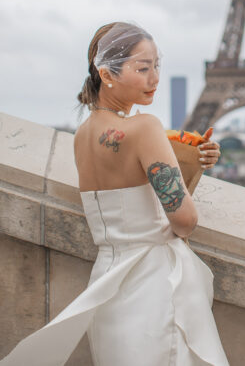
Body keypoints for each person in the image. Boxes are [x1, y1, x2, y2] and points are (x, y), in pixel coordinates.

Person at [1, 21, 230, 366]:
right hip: (154, 290)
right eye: (142, 68)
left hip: (108, 287)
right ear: (107, 74)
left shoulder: (83, 135)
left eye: (157, 66)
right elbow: (184, 220)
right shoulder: (145, 127)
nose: (154, 78)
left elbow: (126, 185)